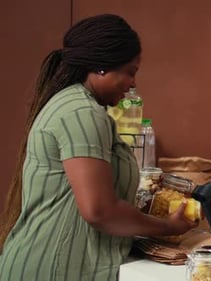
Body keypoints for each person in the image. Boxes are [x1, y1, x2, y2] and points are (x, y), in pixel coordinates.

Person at [0, 14, 197, 281]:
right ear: (102, 67)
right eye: (130, 71)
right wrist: (165, 226)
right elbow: (99, 211)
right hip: (51, 268)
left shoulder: (76, 106)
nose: (133, 83)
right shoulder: (82, 112)